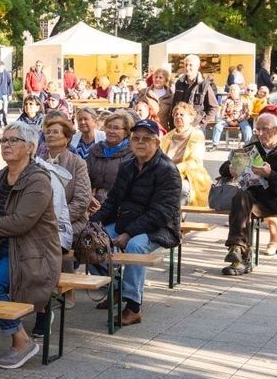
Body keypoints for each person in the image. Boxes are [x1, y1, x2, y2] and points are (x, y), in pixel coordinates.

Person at [0, 122, 61, 369]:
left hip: (32, 254)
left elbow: (20, 223)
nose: (6, 145)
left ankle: (22, 341)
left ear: (30, 147)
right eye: (3, 141)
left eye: (13, 141)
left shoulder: (38, 180)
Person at [88, 118, 182, 325]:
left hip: (160, 227)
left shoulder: (168, 170)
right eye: (136, 138)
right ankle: (115, 288)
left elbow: (161, 213)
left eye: (146, 139)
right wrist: (92, 224)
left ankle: (133, 306)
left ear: (157, 143)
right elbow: (112, 201)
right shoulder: (127, 166)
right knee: (92, 241)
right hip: (129, 222)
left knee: (135, 246)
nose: (140, 143)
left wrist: (128, 233)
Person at [219, 112, 277, 276]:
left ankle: (241, 256)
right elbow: (224, 167)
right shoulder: (253, 148)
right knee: (241, 197)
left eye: (265, 129)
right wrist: (230, 170)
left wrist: (270, 175)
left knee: (244, 203)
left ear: (276, 130)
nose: (260, 133)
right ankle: (237, 249)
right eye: (257, 129)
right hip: (255, 196)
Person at [41, 115, 95, 240]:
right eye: (47, 132)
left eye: (55, 132)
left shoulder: (77, 163)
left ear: (67, 138)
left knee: (52, 240)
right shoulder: (38, 162)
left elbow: (82, 200)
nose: (50, 135)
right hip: (40, 221)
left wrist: (55, 218)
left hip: (70, 221)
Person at [161, 102, 212, 207]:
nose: (178, 116)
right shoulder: (167, 137)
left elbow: (195, 161)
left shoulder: (197, 135)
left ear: (191, 118)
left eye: (182, 114)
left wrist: (175, 170)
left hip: (189, 175)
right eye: (175, 115)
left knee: (181, 188)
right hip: (166, 174)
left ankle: (177, 218)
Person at [86, 110, 136, 204]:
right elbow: (85, 177)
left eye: (116, 128)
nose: (111, 131)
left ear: (126, 132)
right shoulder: (96, 149)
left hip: (119, 203)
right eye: (108, 127)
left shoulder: (132, 153)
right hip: (92, 201)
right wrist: (90, 197)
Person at [172, 54, 219, 127]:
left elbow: (214, 107)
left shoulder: (204, 85)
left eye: (191, 65)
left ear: (197, 67)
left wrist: (202, 123)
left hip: (196, 126)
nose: (187, 68)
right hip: (179, 125)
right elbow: (174, 104)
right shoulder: (179, 83)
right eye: (186, 65)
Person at [211, 83, 253, 148]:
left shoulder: (244, 100)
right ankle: (214, 145)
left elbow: (246, 113)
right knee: (217, 126)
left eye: (234, 90)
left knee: (247, 129)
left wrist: (238, 121)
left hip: (240, 120)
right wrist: (229, 120)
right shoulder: (226, 101)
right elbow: (222, 113)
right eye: (231, 90)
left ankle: (248, 146)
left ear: (238, 91)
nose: (232, 92)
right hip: (228, 120)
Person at [0, 62, 13, 129]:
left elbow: (10, 84)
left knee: (4, 110)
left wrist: (10, 94)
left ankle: (4, 121)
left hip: (5, 94)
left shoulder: (6, 74)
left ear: (3, 67)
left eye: (1, 66)